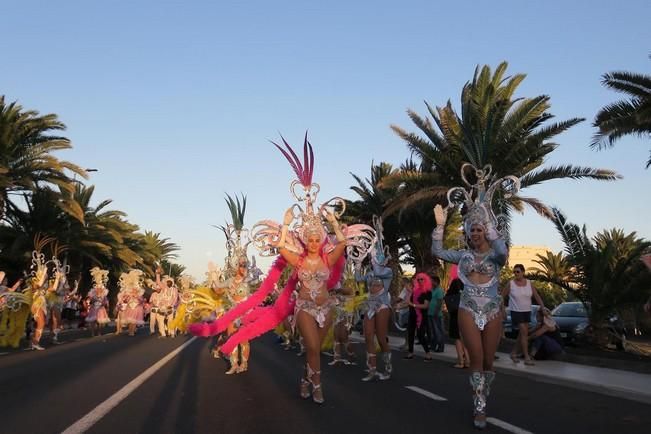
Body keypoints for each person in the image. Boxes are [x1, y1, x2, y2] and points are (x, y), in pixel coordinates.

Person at [189, 135, 375, 404]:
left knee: (314, 352)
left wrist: (334, 223)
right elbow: (280, 246)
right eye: (309, 238)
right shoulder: (298, 260)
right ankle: (317, 385)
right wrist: (287, 224)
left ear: (320, 239)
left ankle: (304, 377)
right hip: (304, 308)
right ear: (305, 239)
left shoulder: (329, 259)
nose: (312, 241)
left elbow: (343, 242)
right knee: (311, 347)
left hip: (327, 308)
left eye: (316, 238)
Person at [431, 164, 520, 429]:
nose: (475, 233)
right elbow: (437, 251)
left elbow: (503, 253)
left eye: (479, 230)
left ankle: (482, 389)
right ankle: (479, 405)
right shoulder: (463, 256)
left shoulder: (495, 255)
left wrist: (493, 231)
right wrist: (440, 226)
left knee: (489, 360)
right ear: (468, 234)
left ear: (486, 232)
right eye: (472, 230)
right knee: (477, 357)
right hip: (469, 307)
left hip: (492, 307)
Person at [502, 263, 545, 365]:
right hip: (516, 312)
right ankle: (526, 357)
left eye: (518, 271)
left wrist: (543, 308)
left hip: (527, 311)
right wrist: (502, 309)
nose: (516, 274)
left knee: (522, 334)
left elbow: (536, 296)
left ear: (523, 272)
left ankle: (513, 353)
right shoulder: (511, 284)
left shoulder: (529, 283)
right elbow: (501, 297)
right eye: (514, 272)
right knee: (525, 333)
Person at [405, 272, 433, 361]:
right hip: (412, 315)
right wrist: (410, 292)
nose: (420, 281)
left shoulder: (428, 292)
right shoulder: (415, 290)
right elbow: (408, 301)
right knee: (410, 334)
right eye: (418, 279)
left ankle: (428, 354)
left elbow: (426, 306)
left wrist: (413, 305)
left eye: (422, 279)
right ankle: (410, 353)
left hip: (421, 316)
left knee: (421, 335)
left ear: (426, 280)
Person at [445, 278, 469, 368]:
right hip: (466, 317)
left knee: (458, 340)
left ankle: (461, 362)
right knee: (465, 340)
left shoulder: (451, 292)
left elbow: (448, 304)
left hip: (455, 317)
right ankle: (468, 361)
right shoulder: (467, 290)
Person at [86, 267, 110, 337]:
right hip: (94, 308)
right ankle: (93, 333)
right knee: (93, 321)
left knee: (100, 322)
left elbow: (106, 301)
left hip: (101, 309)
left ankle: (99, 332)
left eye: (100, 289)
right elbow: (89, 300)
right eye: (97, 288)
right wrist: (93, 300)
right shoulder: (92, 293)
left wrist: (104, 304)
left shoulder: (104, 295)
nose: (98, 289)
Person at [428, 275, 446, 353]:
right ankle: (433, 345)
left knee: (438, 331)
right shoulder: (432, 290)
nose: (430, 282)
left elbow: (439, 302)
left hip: (436, 314)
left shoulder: (439, 290)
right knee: (432, 331)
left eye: (431, 281)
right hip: (430, 313)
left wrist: (436, 312)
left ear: (436, 282)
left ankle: (441, 346)